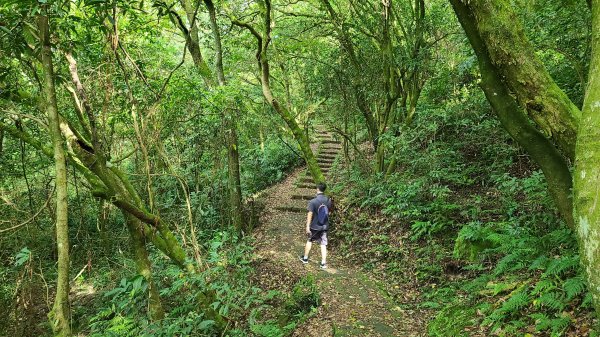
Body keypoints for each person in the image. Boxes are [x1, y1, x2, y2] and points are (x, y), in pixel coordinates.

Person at [299, 182, 333, 269]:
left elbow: (310, 214)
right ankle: (323, 263)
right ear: (324, 190)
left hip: (315, 226)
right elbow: (329, 212)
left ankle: (305, 258)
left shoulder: (313, 201)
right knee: (323, 244)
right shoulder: (328, 200)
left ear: (317, 189)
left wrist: (307, 226)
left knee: (310, 240)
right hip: (325, 226)